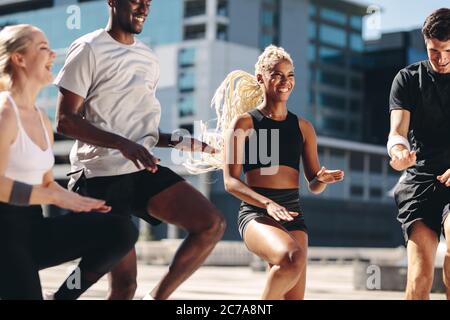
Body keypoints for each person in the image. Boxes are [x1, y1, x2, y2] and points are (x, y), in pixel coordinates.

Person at [54, 0, 225, 300]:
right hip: (99, 176)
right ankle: (60, 297)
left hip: (140, 170)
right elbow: (66, 121)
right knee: (124, 285)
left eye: (148, 2)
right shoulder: (88, 48)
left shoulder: (148, 58)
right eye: (136, 0)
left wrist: (181, 141)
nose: (144, 8)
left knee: (211, 223)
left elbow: (138, 130)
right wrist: (123, 144)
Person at [187, 45, 344, 299]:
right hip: (257, 213)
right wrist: (268, 204)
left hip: (293, 214)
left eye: (290, 75)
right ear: (261, 78)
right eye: (277, 75)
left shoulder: (304, 127)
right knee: (292, 257)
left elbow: (313, 185)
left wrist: (321, 180)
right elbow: (230, 182)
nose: (286, 81)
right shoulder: (245, 123)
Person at [0, 24, 138, 300]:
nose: (53, 54)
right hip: (3, 236)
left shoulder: (40, 117)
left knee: (119, 230)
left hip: (31, 229)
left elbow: (47, 182)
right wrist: (61, 199)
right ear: (19, 58)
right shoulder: (5, 112)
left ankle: (62, 297)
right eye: (42, 47)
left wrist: (84, 204)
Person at [388, 8, 450, 300]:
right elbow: (397, 132)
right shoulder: (408, 79)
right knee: (419, 278)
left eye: (449, 50)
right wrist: (398, 151)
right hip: (420, 180)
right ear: (426, 43)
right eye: (434, 51)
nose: (442, 59)